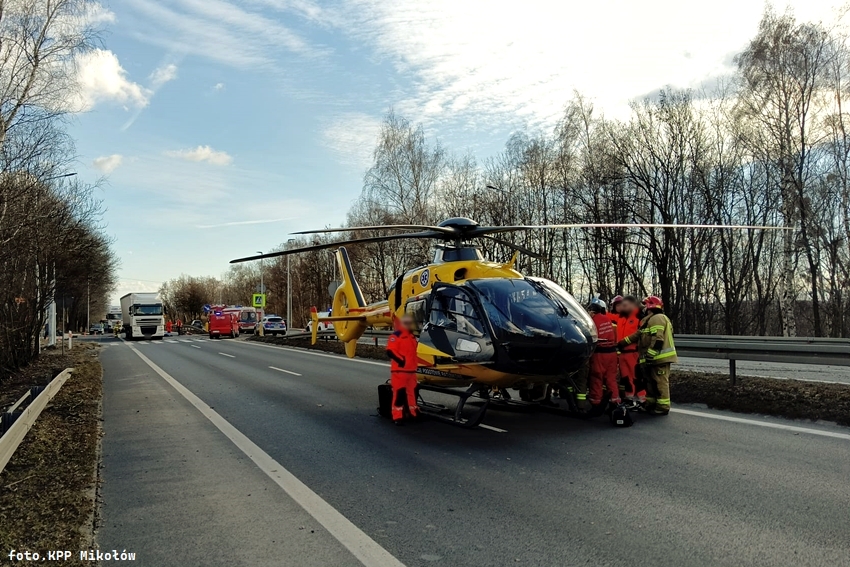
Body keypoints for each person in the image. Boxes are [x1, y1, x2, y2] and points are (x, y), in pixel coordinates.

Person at [619, 295, 677, 415]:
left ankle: (663, 407)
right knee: (650, 383)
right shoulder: (648, 320)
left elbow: (658, 339)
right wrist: (621, 343)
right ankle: (650, 403)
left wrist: (650, 355)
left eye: (645, 305)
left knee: (660, 382)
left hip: (659, 358)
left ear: (650, 306)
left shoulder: (657, 318)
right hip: (653, 359)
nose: (643, 308)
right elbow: (638, 335)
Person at [385, 314, 420, 425]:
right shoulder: (397, 335)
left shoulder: (412, 336)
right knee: (399, 394)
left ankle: (413, 413)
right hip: (400, 371)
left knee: (412, 394)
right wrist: (401, 361)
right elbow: (390, 351)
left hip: (411, 370)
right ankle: (397, 417)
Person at [587, 298, 621, 407]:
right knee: (611, 378)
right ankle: (615, 400)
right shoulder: (607, 319)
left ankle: (596, 401)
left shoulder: (591, 322)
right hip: (612, 353)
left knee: (597, 377)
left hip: (599, 354)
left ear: (592, 311)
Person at [614, 295, 643, 404]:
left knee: (636, 376)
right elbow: (608, 317)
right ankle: (629, 398)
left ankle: (642, 399)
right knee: (625, 377)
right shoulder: (621, 318)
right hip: (622, 352)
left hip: (633, 351)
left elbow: (641, 333)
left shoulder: (638, 317)